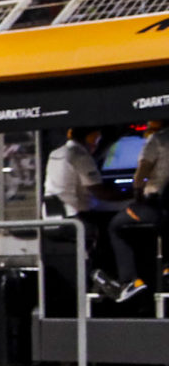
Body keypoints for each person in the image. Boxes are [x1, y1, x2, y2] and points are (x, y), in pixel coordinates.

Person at [44, 127, 111, 307]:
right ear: (89, 136)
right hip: (74, 220)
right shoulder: (79, 155)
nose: (97, 142)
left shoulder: (55, 153)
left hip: (51, 219)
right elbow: (100, 192)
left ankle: (97, 280)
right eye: (96, 137)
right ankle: (107, 281)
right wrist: (130, 195)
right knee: (110, 226)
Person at [106, 122, 169, 302]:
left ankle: (130, 281)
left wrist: (136, 192)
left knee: (116, 225)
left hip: (157, 206)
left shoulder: (158, 139)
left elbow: (142, 171)